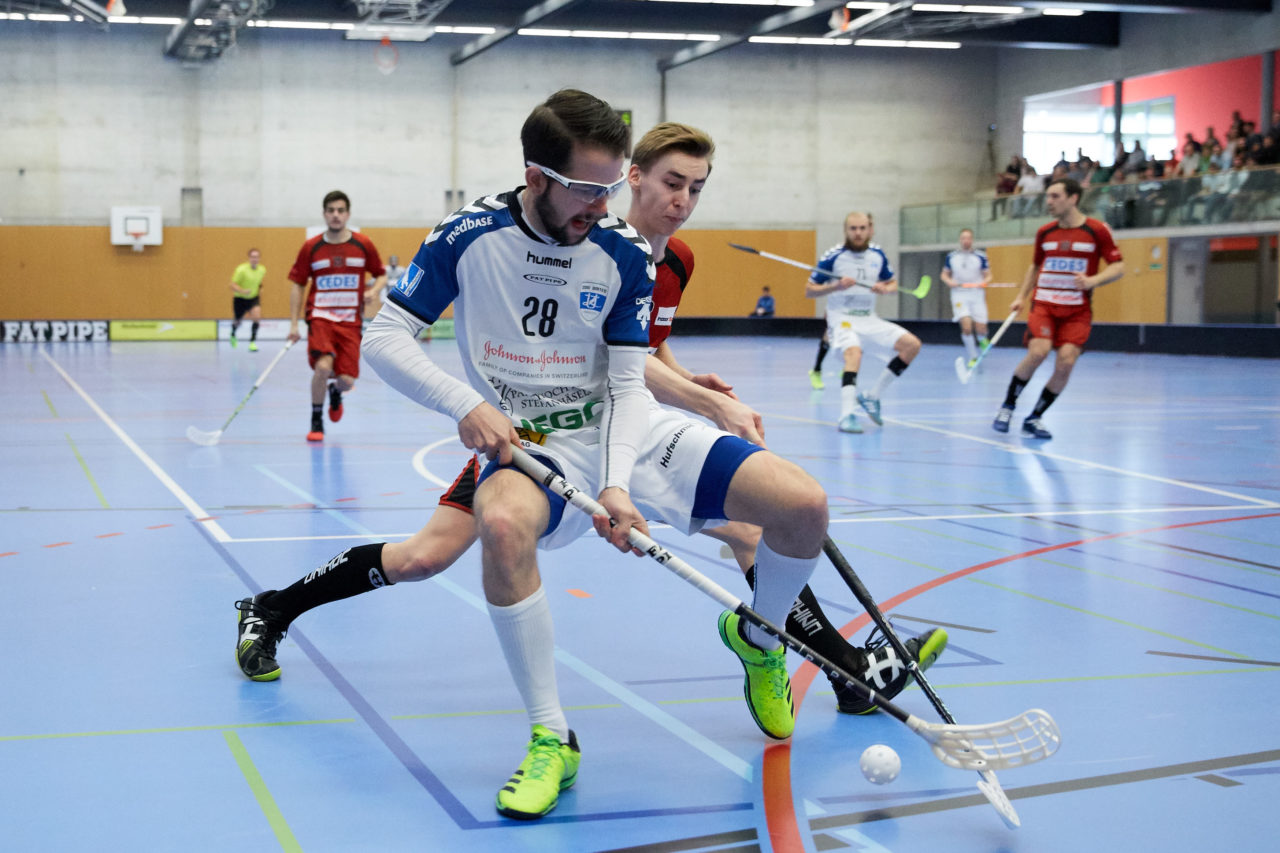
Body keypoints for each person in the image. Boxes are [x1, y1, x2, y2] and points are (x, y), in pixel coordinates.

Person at [235, 113, 946, 819]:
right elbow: (389, 334)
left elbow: (634, 380)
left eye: (693, 187)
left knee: (799, 508)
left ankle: (768, 641)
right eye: (592, 189)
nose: (607, 207)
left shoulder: (634, 254)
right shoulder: (469, 236)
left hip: (623, 431)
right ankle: (549, 733)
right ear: (537, 177)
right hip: (523, 439)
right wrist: (463, 404)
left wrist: (616, 478)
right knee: (454, 546)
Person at [992, 178, 1125, 440]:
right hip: (1044, 305)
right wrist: (1021, 296)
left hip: (1077, 310)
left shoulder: (1097, 230)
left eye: (1055, 196)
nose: (1049, 201)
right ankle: (1007, 407)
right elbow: (1035, 266)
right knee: (1038, 352)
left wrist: (1093, 281)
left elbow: (1118, 267)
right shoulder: (1045, 232)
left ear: (1073, 198)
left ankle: (1035, 417)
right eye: (1048, 196)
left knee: (1065, 363)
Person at [806, 212, 922, 434]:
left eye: (861, 228)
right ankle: (847, 415)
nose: (858, 233)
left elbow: (892, 283)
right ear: (846, 230)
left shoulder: (877, 254)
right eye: (853, 229)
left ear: (869, 229)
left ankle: (872, 396)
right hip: (842, 318)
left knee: (912, 345)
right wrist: (836, 286)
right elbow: (809, 290)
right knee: (854, 353)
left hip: (869, 318)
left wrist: (885, 288)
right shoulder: (833, 257)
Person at [286, 191, 386, 442]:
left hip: (350, 322)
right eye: (331, 210)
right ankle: (316, 419)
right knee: (322, 368)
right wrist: (294, 323)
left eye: (340, 210)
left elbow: (381, 274)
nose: (336, 215)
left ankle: (336, 392)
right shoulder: (311, 247)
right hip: (320, 317)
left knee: (346, 380)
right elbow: (297, 284)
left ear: (348, 214)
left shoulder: (363, 244)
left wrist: (373, 290)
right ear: (324, 214)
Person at [940, 228, 992, 367]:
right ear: (960, 240)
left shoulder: (981, 256)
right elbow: (944, 275)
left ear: (972, 240)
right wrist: (949, 281)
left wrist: (984, 282)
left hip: (976, 294)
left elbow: (988, 275)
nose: (966, 241)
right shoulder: (952, 257)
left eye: (968, 238)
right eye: (963, 238)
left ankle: (982, 339)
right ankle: (973, 356)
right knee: (967, 327)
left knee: (981, 328)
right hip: (959, 294)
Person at [228, 248, 266, 351]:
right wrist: (243, 291)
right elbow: (232, 285)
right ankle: (233, 333)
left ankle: (252, 342)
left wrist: (260, 288)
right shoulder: (241, 270)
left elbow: (259, 282)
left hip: (253, 298)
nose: (255, 259)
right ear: (249, 258)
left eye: (257, 257)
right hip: (240, 298)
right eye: (253, 257)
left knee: (257, 317)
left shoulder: (262, 270)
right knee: (238, 321)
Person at [365, 254, 404, 323]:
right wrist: (369, 283)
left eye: (395, 261)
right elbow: (379, 278)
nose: (393, 262)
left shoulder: (401, 270)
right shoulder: (385, 269)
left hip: (397, 290)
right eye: (392, 261)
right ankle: (384, 316)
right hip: (386, 290)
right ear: (389, 261)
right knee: (383, 292)